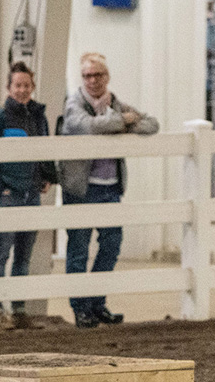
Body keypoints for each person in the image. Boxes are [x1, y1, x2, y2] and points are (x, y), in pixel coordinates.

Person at [58, 52, 157, 328]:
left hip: (110, 187)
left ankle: (97, 303)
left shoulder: (116, 103)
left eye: (98, 75)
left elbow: (151, 124)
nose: (92, 81)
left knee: (111, 245)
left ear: (107, 76)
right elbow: (83, 126)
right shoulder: (74, 104)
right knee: (78, 248)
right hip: (81, 188)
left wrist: (122, 119)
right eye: (87, 75)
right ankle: (80, 308)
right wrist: (122, 121)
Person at [0, 62, 58, 330]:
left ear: (32, 86)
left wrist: (47, 176)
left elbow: (44, 148)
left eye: (27, 85)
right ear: (9, 87)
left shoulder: (39, 117)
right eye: (18, 85)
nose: (23, 90)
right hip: (7, 195)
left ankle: (18, 308)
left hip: (31, 193)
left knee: (24, 252)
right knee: (1, 251)